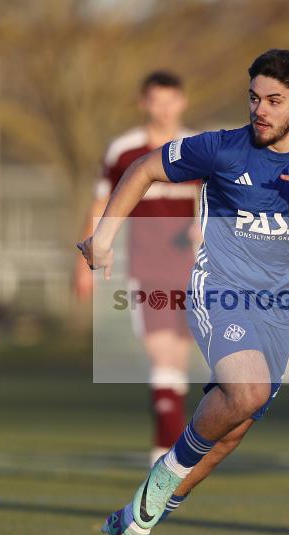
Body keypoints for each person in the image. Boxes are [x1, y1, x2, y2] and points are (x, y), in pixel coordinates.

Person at [79, 49, 289, 535]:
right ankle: (150, 498)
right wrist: (104, 237)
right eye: (255, 97)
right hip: (221, 290)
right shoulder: (222, 148)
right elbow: (144, 168)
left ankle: (137, 519)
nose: (261, 110)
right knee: (248, 391)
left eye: (275, 101)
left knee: (230, 430)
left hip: (281, 312)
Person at [76, 71, 200, 466]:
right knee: (162, 356)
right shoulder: (125, 152)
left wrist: (206, 225)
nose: (164, 108)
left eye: (171, 100)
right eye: (155, 100)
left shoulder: (200, 149)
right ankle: (166, 456)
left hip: (198, 271)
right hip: (147, 267)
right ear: (143, 103)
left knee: (177, 361)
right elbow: (100, 205)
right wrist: (89, 257)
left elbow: (222, 202)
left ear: (182, 102)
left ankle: (173, 451)